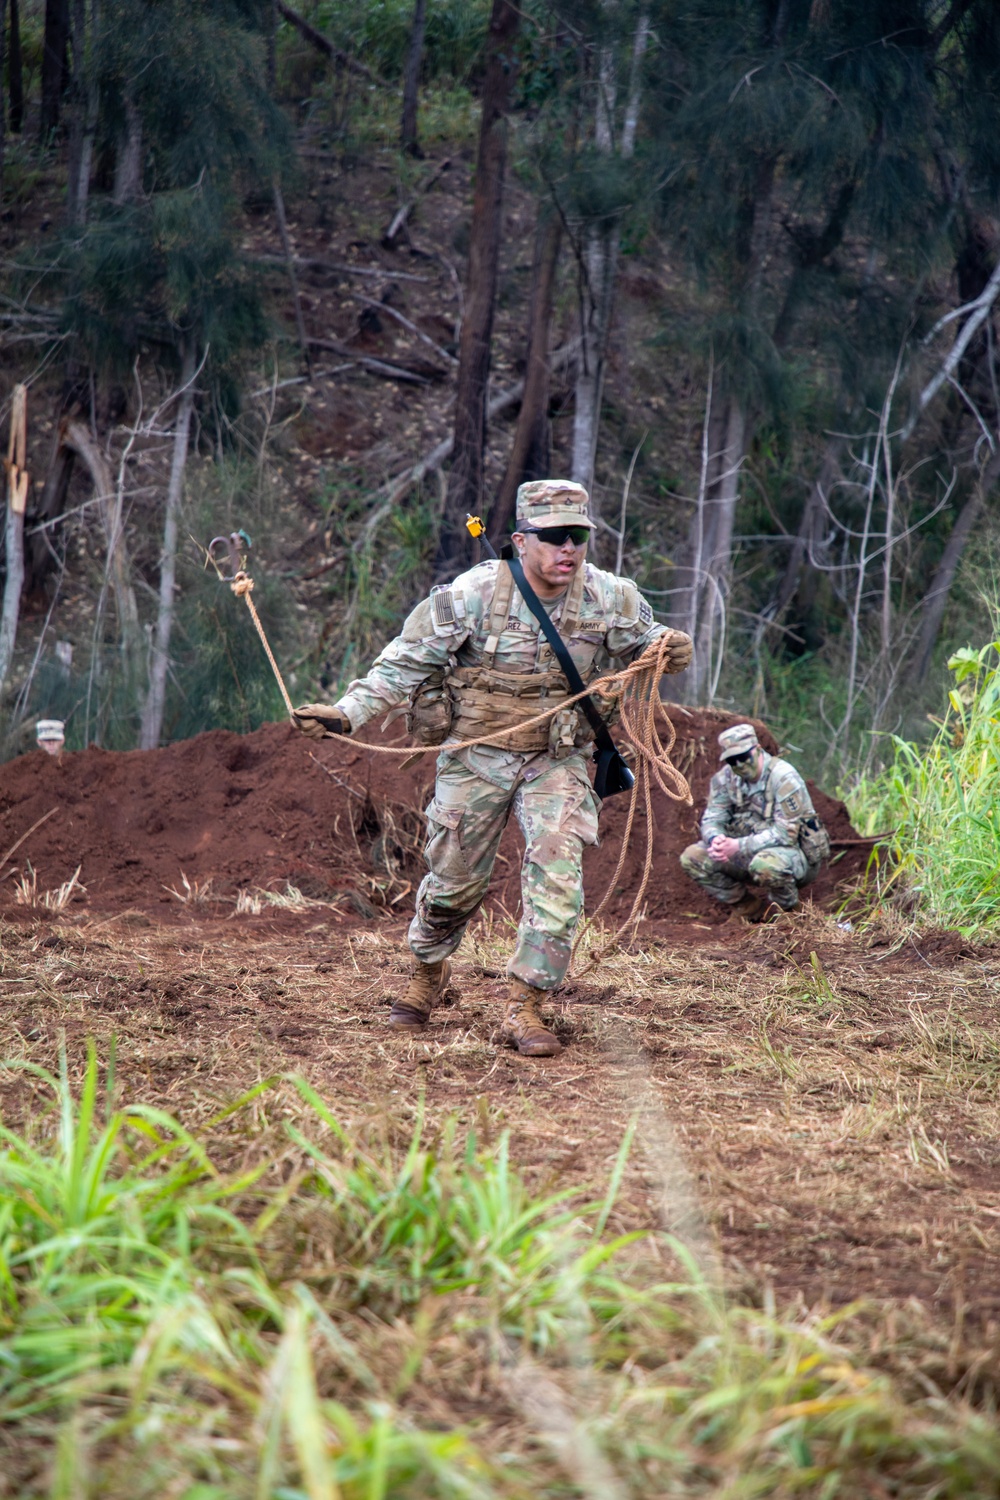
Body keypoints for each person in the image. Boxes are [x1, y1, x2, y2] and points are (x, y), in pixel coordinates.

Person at [293, 479, 693, 1058]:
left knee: (558, 883)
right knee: (453, 883)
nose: (569, 549)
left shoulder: (611, 598)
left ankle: (526, 1006)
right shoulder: (472, 595)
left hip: (561, 759)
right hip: (476, 756)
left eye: (578, 536)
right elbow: (402, 665)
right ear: (521, 540)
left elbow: (649, 641)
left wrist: (668, 647)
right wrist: (345, 714)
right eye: (555, 536)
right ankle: (427, 973)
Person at [679, 723, 829, 919]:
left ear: (757, 750)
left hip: (794, 857)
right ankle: (750, 911)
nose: (740, 765)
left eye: (743, 757)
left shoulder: (783, 778)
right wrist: (715, 839)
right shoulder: (724, 780)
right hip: (747, 854)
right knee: (692, 857)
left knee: (765, 866)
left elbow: (787, 834)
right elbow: (712, 817)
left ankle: (790, 914)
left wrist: (738, 845)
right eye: (733, 760)